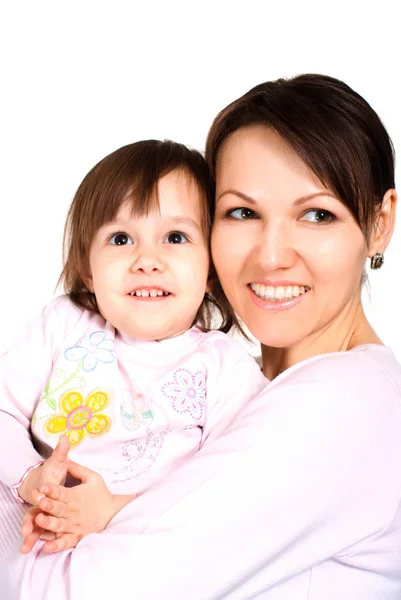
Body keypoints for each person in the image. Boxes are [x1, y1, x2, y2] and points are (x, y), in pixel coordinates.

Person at [3, 74, 401, 600]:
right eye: (242, 212)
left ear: (380, 221)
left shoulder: (347, 403)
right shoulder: (260, 387)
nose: (272, 254)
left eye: (316, 214)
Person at [0, 140, 266, 558]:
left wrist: (112, 512)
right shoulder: (63, 324)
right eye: (121, 239)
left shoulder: (223, 369)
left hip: (140, 558)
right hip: (26, 536)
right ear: (88, 267)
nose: (147, 260)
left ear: (211, 269)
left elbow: (228, 495)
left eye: (175, 237)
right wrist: (30, 477)